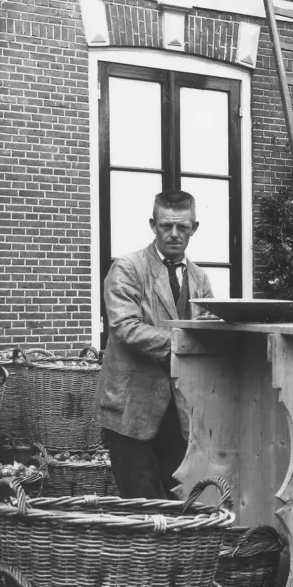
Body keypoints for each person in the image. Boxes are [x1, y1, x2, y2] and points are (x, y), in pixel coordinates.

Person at [94, 189, 213, 500]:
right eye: (165, 226)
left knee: (182, 500)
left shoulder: (200, 279)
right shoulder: (128, 268)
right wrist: (186, 342)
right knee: (141, 503)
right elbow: (125, 328)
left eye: (183, 227)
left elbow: (212, 329)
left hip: (179, 410)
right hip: (132, 410)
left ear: (194, 228)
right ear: (153, 224)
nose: (174, 234)